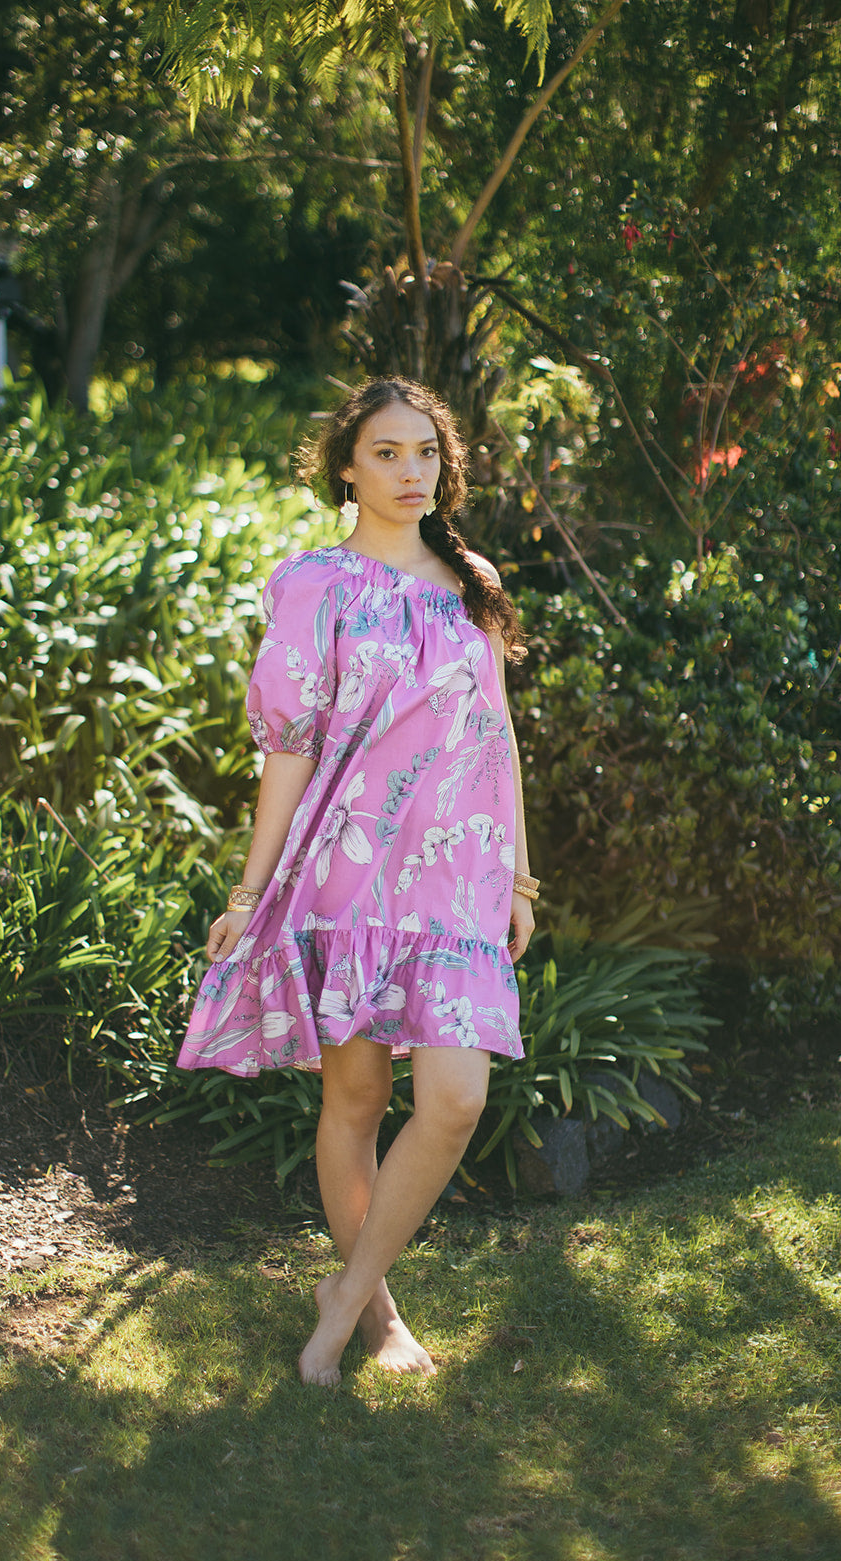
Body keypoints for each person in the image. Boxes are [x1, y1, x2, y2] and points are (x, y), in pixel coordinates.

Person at [177, 376, 537, 1385]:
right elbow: (288, 745)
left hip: (457, 880)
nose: (411, 471)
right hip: (349, 876)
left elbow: (499, 732)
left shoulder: (469, 578)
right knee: (359, 1094)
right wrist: (249, 895)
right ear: (347, 466)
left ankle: (338, 1293)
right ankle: (377, 1319)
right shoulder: (314, 584)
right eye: (386, 452)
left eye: (425, 452)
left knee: (454, 1098)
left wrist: (517, 875)